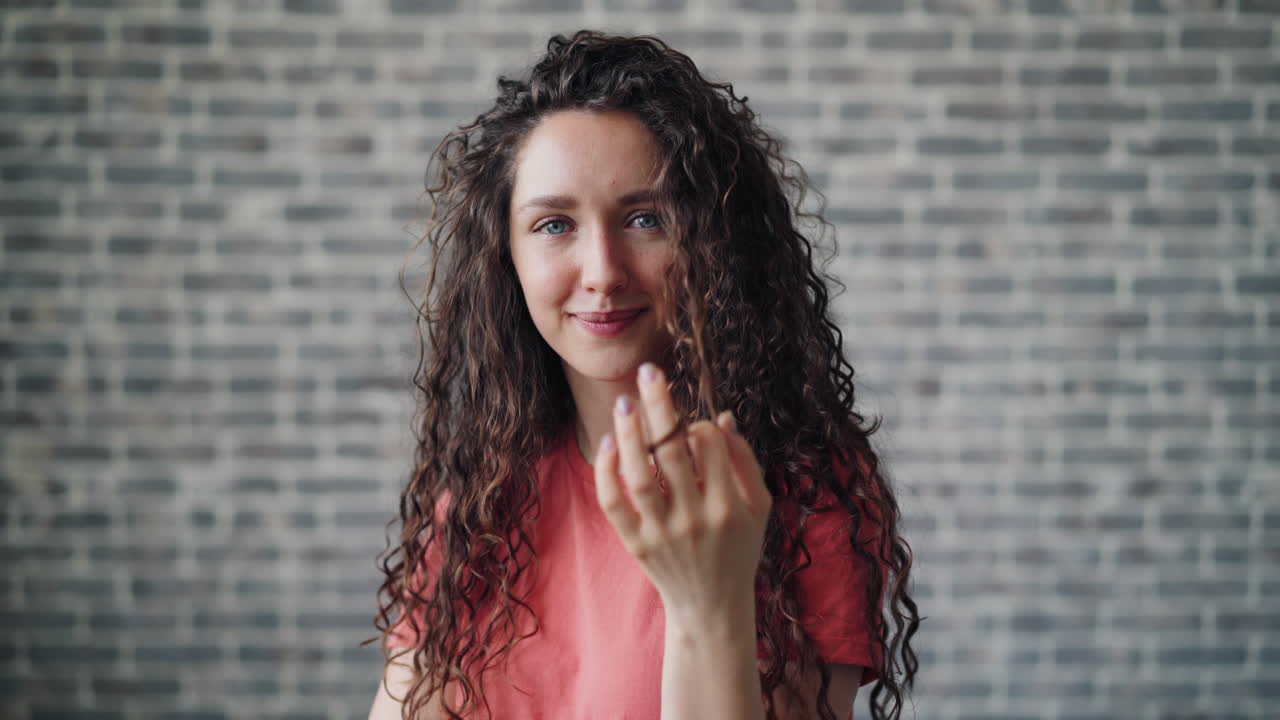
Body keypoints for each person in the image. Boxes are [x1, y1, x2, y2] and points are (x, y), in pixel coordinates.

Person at [366, 30, 919, 720]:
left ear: (713, 243)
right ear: (505, 255)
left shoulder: (805, 491)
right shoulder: (480, 498)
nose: (601, 272)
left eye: (646, 218)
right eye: (553, 225)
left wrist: (704, 602)